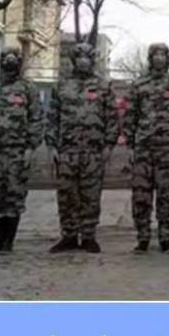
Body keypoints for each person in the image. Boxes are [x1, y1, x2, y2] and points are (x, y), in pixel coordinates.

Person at [45, 42, 120, 253]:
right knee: (66, 194)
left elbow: (112, 118)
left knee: (91, 194)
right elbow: (52, 117)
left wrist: (109, 145)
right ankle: (68, 235)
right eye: (79, 57)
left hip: (93, 151)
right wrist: (52, 146)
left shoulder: (103, 87)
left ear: (92, 60)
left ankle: (88, 236)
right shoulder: (62, 86)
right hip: (67, 151)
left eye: (88, 57)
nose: (84, 61)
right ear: (74, 60)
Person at [0, 47, 43, 254]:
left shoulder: (28, 88)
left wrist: (31, 147)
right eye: (6, 58)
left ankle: (9, 241)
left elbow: (36, 119)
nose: (10, 62)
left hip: (17, 152)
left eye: (14, 58)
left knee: (14, 195)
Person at [124, 43, 169, 254]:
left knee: (167, 196)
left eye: (163, 55)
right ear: (150, 58)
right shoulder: (139, 84)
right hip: (143, 149)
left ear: (168, 58)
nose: (160, 58)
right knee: (141, 196)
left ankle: (165, 238)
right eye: (156, 55)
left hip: (168, 149)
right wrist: (130, 145)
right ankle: (142, 238)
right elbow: (130, 116)